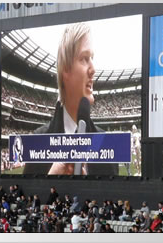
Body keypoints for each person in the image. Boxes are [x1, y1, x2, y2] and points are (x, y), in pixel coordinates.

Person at [22, 22, 117, 175]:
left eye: (92, 58)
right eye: (85, 58)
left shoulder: (106, 144)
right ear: (65, 69)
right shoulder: (38, 140)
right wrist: (50, 181)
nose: (93, 69)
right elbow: (27, 197)